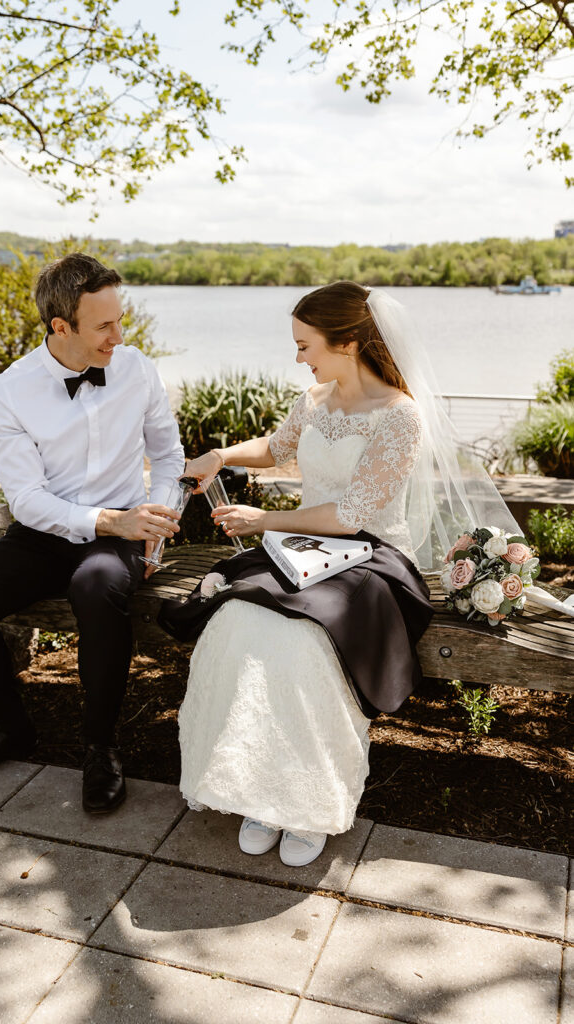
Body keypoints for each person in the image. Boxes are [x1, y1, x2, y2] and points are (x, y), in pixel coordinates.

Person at [159, 280, 517, 867]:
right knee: (240, 624)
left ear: (348, 342)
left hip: (372, 561)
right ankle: (258, 788)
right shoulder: (315, 400)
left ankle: (305, 802)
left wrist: (262, 518)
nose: (298, 357)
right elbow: (276, 448)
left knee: (303, 642)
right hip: (302, 548)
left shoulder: (400, 417)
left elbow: (353, 516)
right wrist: (220, 456)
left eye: (306, 345)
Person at [0, 253, 184, 814]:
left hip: (121, 534)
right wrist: (103, 521)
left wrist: (156, 525)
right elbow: (26, 499)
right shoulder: (11, 390)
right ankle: (9, 728)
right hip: (45, 531)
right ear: (60, 327)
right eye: (104, 325)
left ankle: (100, 747)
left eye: (121, 320)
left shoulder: (138, 369)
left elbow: (169, 457)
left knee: (96, 589)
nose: (118, 336)